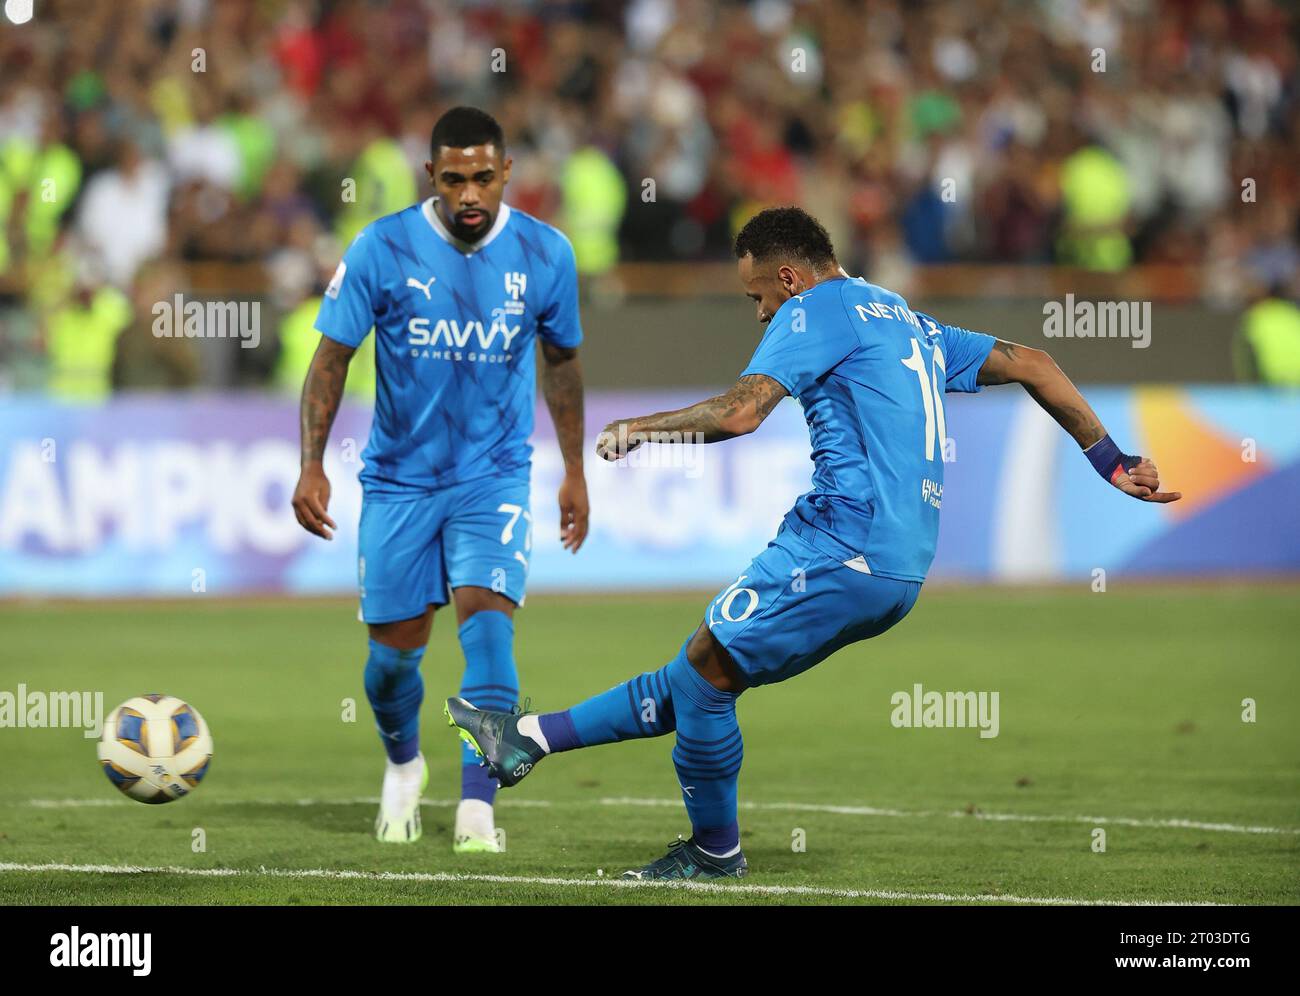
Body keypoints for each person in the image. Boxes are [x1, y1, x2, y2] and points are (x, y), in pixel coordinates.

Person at [447, 205, 1180, 879]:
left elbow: (741, 414)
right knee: (704, 671)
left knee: (706, 671)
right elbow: (1033, 363)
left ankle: (713, 854)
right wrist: (1109, 460)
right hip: (897, 563)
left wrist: (643, 429)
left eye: (757, 295)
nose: (760, 311)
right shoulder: (903, 318)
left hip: (845, 541)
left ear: (790, 277)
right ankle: (528, 741)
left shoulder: (816, 307)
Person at [292, 107, 589, 852]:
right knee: (391, 663)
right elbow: (331, 359)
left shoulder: (546, 254)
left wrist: (575, 469)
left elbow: (563, 362)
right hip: (398, 482)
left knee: (489, 631)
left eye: (483, 177)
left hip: (493, 476)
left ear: (507, 173)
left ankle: (477, 809)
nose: (469, 194)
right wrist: (311, 464)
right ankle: (402, 764)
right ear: (432, 175)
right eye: (454, 178)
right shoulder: (382, 248)